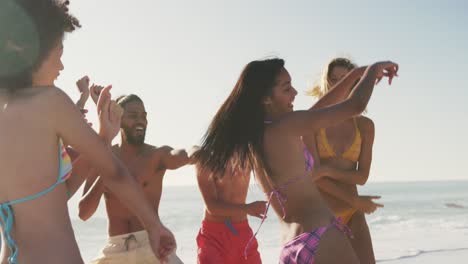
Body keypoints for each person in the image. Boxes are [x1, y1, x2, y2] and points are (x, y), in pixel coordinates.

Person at [0, 1, 170, 263]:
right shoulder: (50, 101)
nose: (61, 66)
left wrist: (102, 139)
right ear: (25, 48)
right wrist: (154, 226)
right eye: (58, 50)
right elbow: (113, 171)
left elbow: (55, 196)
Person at [195, 58, 398, 263]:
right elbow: (355, 105)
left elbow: (321, 107)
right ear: (266, 98)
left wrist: (356, 75)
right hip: (321, 236)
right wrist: (373, 70)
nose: (295, 93)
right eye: (286, 88)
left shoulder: (256, 135)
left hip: (291, 244)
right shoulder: (287, 126)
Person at [79, 94, 190, 264]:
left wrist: (198, 153)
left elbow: (183, 155)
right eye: (133, 116)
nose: (140, 121)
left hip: (152, 245)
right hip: (115, 250)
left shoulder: (156, 155)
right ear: (118, 120)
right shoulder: (103, 156)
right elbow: (84, 213)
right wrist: (107, 168)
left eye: (143, 116)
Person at [305, 57, 383, 263]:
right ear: (326, 83)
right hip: (321, 215)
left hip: (353, 214)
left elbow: (362, 176)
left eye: (347, 78)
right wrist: (354, 200)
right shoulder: (312, 125)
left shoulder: (365, 126)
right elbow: (313, 176)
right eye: (334, 79)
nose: (341, 84)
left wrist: (327, 170)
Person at [195, 151, 265, 264]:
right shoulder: (207, 159)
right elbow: (212, 207)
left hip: (242, 234)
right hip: (214, 237)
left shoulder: (248, 156)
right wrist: (248, 208)